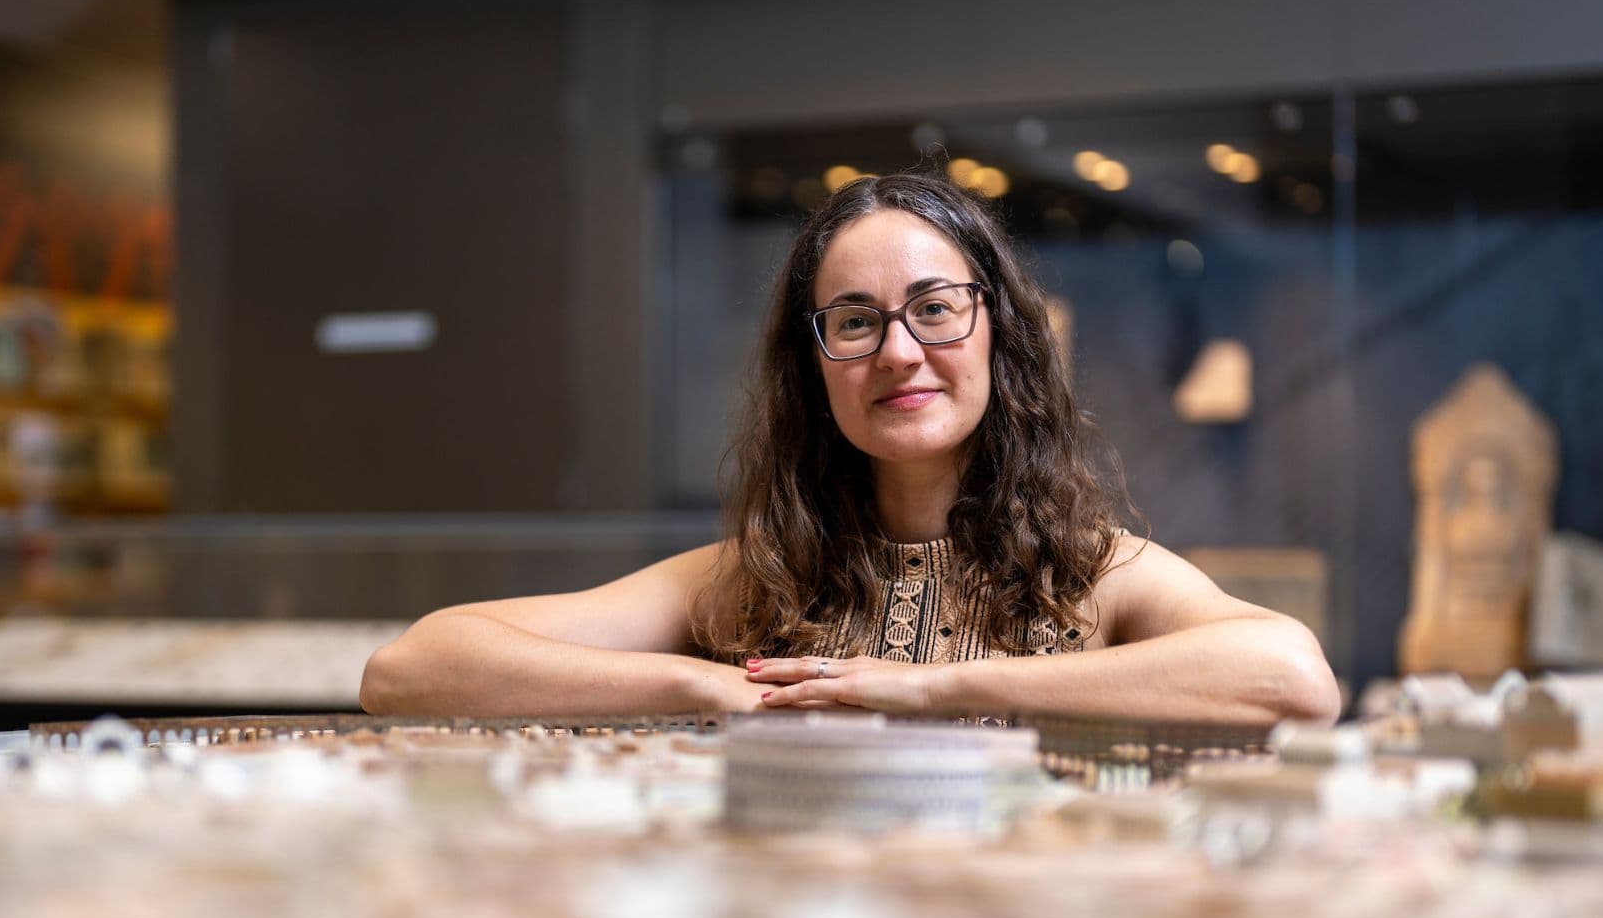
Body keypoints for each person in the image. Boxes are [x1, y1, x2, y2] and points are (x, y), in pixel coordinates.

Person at [361, 172, 1341, 726]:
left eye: (933, 309)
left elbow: (1291, 679)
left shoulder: (1096, 576)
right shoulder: (754, 582)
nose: (899, 352)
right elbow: (408, 668)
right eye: (855, 320)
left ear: (997, 331)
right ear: (815, 362)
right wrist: (693, 683)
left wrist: (937, 688)